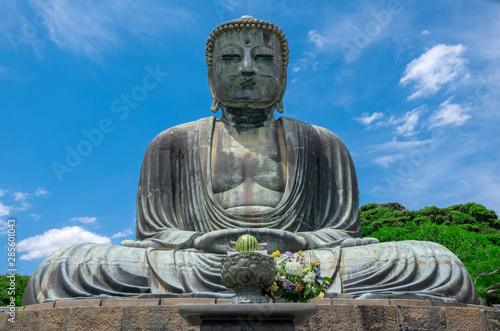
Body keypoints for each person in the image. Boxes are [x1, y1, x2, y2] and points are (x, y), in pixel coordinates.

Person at [22, 16, 479, 305]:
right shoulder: (172, 144)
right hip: (197, 263)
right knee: (64, 267)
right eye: (229, 58)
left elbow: (342, 233)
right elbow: (155, 234)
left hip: (306, 261)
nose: (245, 68)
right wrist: (203, 244)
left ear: (282, 75)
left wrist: (295, 245)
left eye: (262, 57)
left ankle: (289, 281)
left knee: (437, 263)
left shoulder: (322, 143)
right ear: (211, 73)